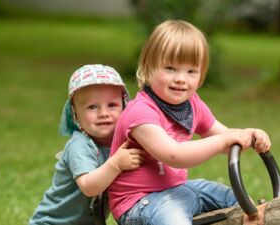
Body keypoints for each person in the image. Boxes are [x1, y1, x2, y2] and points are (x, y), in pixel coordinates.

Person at [108, 20, 271, 225]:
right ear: (149, 68)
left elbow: (225, 137)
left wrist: (249, 135)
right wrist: (224, 140)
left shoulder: (192, 104)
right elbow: (174, 155)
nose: (181, 79)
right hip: (140, 202)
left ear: (201, 75)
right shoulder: (140, 112)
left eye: (191, 71)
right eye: (170, 68)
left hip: (178, 189)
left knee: (239, 201)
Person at [29, 64, 144, 225]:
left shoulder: (123, 143)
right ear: (75, 114)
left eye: (112, 105)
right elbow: (89, 187)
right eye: (92, 107)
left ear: (125, 105)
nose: (103, 113)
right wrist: (115, 164)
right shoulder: (80, 145)